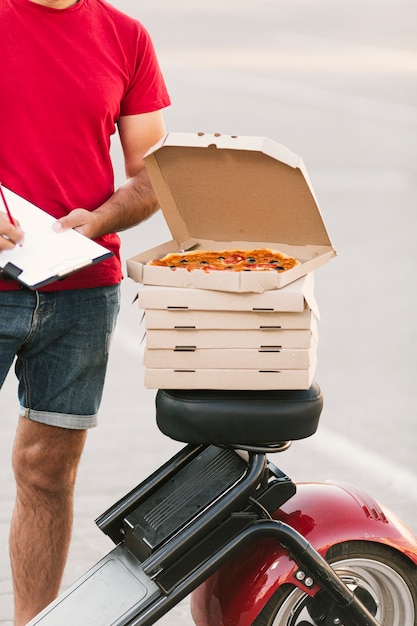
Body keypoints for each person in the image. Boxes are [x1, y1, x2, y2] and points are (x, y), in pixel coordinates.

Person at [0, 0, 171, 623]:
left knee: (47, 472)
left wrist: (98, 220)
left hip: (81, 289)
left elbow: (152, 173)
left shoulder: (125, 38)